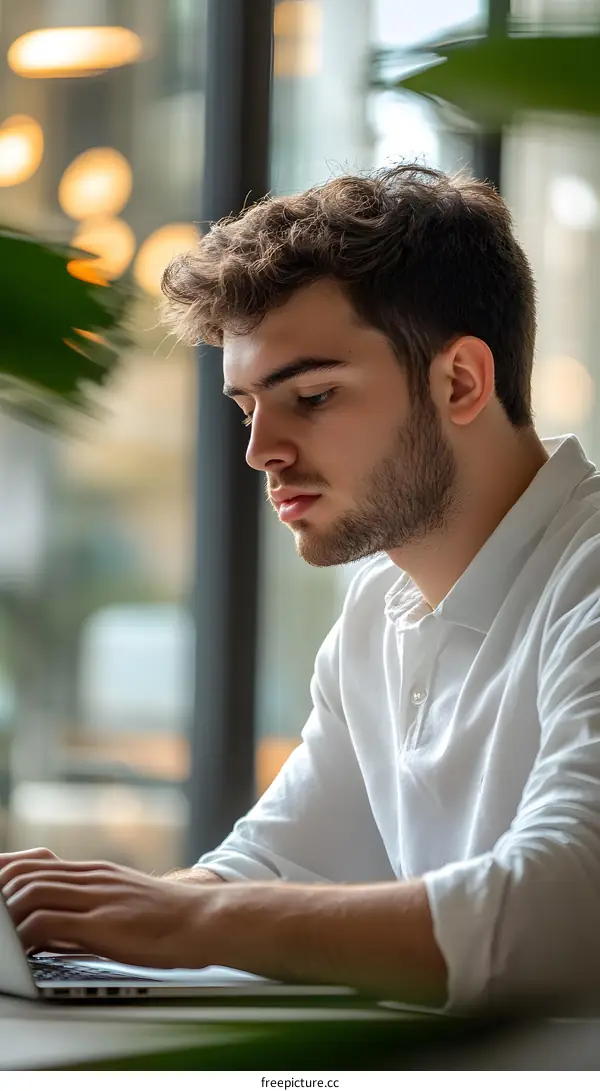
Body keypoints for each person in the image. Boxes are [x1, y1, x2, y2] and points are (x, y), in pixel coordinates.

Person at [2, 163, 600, 1015]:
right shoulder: (375, 612)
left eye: (312, 396)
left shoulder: (588, 579)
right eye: (247, 407)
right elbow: (275, 869)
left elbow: (569, 907)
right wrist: (88, 919)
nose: (260, 451)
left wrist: (188, 914)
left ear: (461, 381)